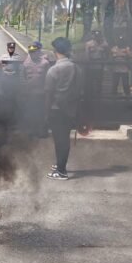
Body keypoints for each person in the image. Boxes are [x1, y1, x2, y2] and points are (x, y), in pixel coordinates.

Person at [45, 37, 81, 181]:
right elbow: (80, 89)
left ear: (55, 51)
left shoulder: (54, 70)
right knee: (63, 138)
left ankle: (61, 171)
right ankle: (60, 164)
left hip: (56, 109)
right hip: (71, 108)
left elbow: (48, 92)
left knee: (60, 140)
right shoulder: (77, 68)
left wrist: (46, 111)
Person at [22, 42, 52, 138]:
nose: (32, 54)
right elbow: (23, 77)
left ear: (38, 52)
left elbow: (49, 77)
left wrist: (47, 91)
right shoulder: (25, 63)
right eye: (30, 52)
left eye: (34, 52)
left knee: (41, 112)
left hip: (41, 92)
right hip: (29, 93)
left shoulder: (45, 63)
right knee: (31, 112)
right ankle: (32, 131)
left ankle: (42, 131)